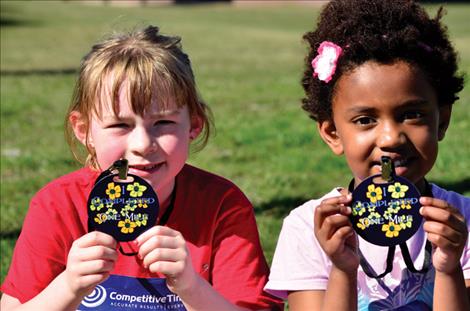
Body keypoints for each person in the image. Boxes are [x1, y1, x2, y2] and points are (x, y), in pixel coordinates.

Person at [1, 25, 282, 311]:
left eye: (163, 123)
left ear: (194, 125)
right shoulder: (58, 206)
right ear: (84, 130)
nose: (143, 144)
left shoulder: (222, 205)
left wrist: (191, 287)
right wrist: (69, 286)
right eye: (120, 125)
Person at [264, 0, 470, 310]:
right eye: (365, 120)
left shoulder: (461, 222)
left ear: (442, 120)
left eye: (411, 114)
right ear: (333, 134)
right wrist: (343, 269)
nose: (390, 138)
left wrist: (448, 268)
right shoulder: (309, 228)